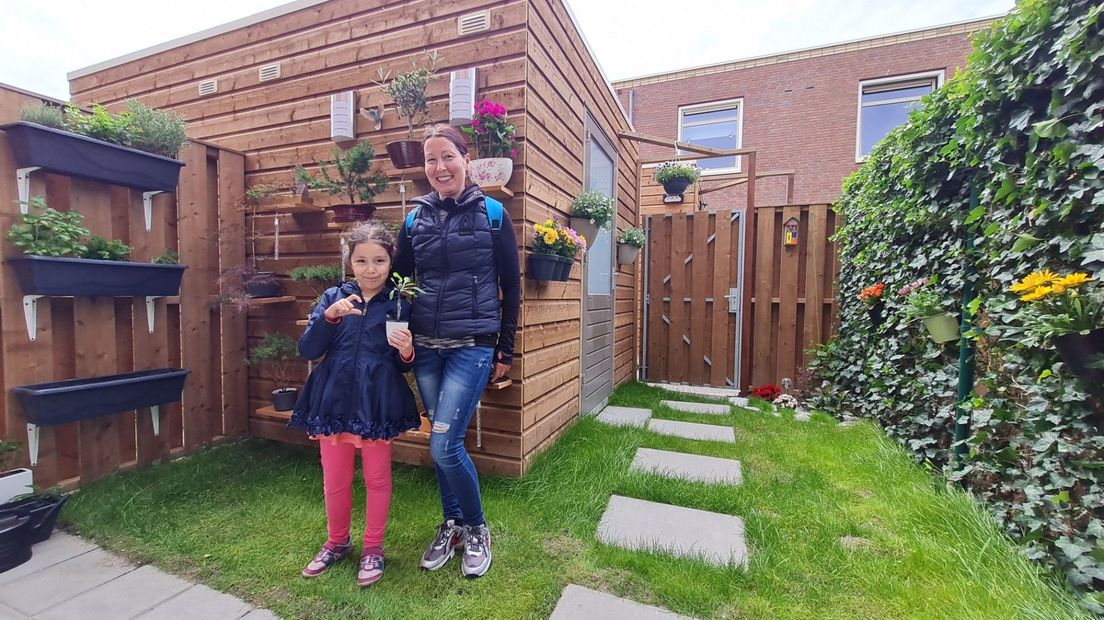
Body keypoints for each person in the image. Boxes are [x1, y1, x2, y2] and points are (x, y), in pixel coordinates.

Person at [394, 124, 521, 578]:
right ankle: (452, 525)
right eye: (430, 159)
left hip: (473, 346)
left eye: (447, 156)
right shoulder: (413, 221)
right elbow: (401, 286)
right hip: (427, 348)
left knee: (446, 444)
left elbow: (511, 285)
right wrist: (398, 336)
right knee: (440, 443)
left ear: (466, 159)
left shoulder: (492, 214)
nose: (439, 167)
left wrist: (505, 348)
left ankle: (478, 529)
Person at [288, 220, 420, 587]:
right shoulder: (334, 298)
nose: (370, 269)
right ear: (350, 261)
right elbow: (309, 350)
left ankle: (373, 548)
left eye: (378, 261)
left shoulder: (399, 302)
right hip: (333, 398)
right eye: (361, 261)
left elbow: (402, 363)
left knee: (377, 478)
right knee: (334, 479)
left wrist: (408, 350)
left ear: (390, 262)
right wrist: (329, 319)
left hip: (376, 400)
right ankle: (336, 541)